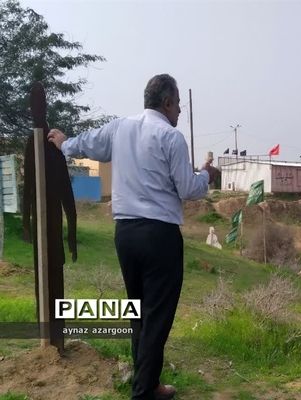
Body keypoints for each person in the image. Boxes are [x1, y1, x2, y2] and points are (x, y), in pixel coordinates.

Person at [48, 74, 215, 400]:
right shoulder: (171, 136)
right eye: (178, 104)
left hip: (125, 234)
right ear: (167, 102)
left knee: (137, 310)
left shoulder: (119, 128)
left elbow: (87, 143)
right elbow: (188, 188)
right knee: (157, 316)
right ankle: (143, 392)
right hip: (159, 236)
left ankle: (147, 382)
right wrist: (208, 174)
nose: (179, 110)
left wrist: (64, 143)